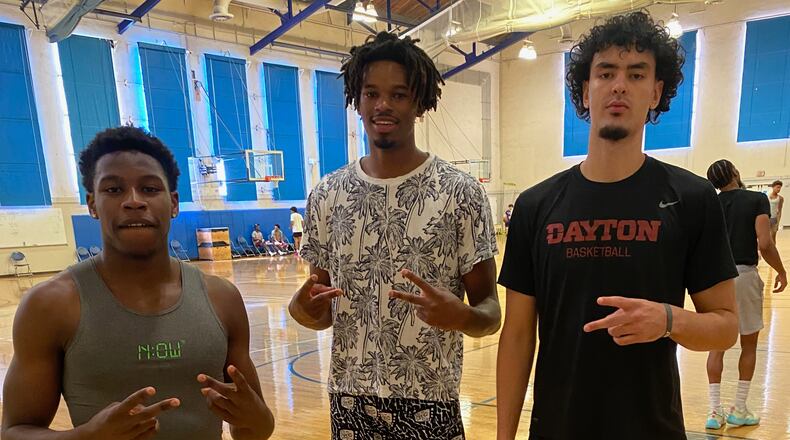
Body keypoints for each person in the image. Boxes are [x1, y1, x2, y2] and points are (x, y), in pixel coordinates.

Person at [496, 12, 739, 440]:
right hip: (557, 429)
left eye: (636, 73)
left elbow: (725, 325)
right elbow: (516, 337)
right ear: (586, 92)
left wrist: (667, 319)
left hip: (652, 428)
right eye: (605, 72)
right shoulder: (536, 205)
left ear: (656, 92)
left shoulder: (692, 199)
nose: (619, 85)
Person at [288, 31, 500, 440]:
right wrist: (301, 310)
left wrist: (464, 317)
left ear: (419, 102)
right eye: (371, 94)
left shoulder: (460, 192)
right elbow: (318, 310)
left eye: (398, 95)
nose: (383, 105)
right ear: (358, 99)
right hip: (350, 399)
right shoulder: (327, 195)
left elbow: (490, 312)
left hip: (431, 398)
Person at [1, 126, 274, 440]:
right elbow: (13, 433)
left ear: (173, 203)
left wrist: (257, 419)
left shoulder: (222, 298)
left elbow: (257, 430)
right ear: (92, 204)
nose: (134, 201)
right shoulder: (50, 305)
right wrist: (86, 437)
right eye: (114, 190)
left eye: (149, 189)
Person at [704, 160, 786, 429]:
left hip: (715, 278)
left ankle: (714, 413)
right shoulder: (756, 199)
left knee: (717, 346)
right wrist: (781, 271)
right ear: (736, 174)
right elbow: (765, 243)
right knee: (748, 345)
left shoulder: (710, 203)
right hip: (744, 275)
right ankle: (739, 408)